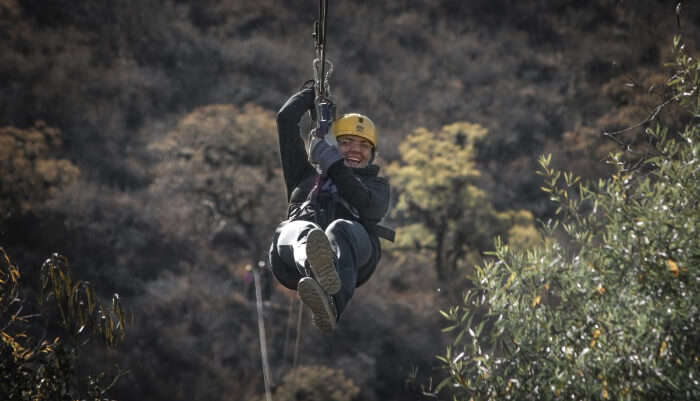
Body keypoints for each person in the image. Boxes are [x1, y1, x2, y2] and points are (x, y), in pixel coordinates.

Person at [268, 85, 393, 333]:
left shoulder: (377, 187)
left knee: (340, 228)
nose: (355, 150)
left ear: (372, 154)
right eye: (346, 142)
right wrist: (313, 93)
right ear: (333, 144)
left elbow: (364, 203)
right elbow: (285, 119)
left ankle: (332, 304)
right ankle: (314, 266)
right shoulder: (304, 176)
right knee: (301, 228)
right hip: (292, 260)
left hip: (352, 260)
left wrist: (333, 164)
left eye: (364, 145)